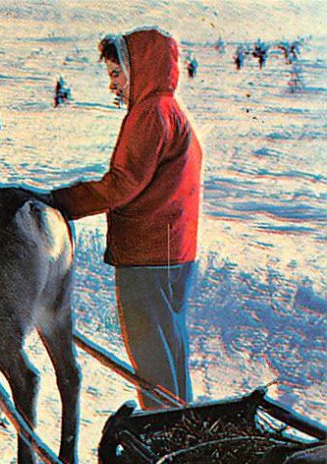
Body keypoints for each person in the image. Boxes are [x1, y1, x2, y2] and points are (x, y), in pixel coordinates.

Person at [49, 28, 202, 409]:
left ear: (142, 69)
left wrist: (58, 201)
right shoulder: (169, 110)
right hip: (174, 250)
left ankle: (161, 436)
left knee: (151, 357)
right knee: (170, 348)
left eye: (117, 75)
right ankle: (183, 428)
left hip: (148, 254)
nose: (113, 86)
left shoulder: (149, 113)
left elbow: (121, 185)